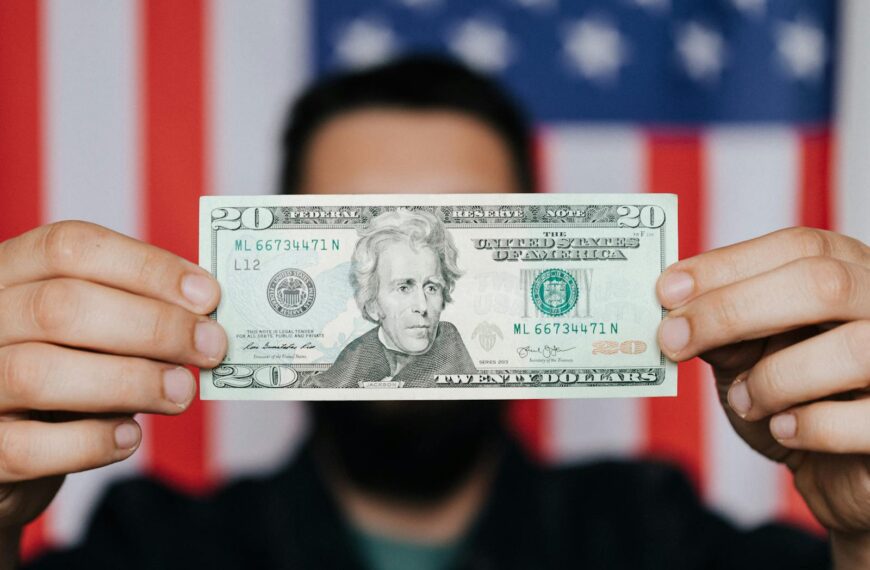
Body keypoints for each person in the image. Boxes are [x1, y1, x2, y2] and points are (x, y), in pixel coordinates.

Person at [1, 56, 868, 569]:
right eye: (369, 248)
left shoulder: (661, 538)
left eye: (454, 250)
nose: (418, 291)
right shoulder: (152, 549)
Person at [311, 209, 476, 389]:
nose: (422, 306)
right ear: (373, 303)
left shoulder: (451, 352)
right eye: (404, 288)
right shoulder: (354, 359)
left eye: (431, 287)